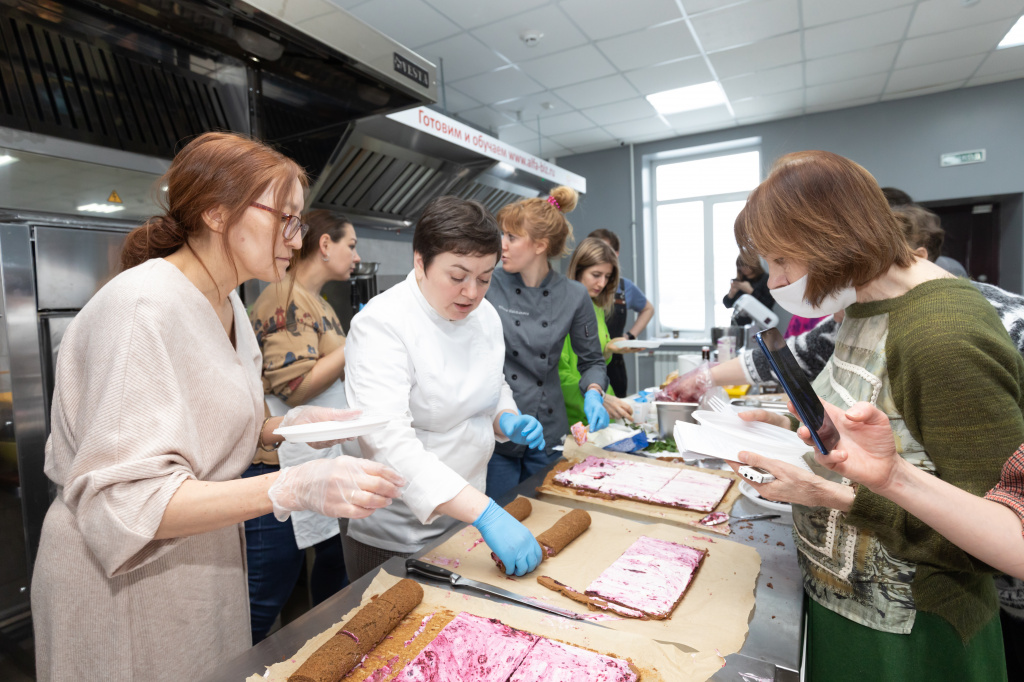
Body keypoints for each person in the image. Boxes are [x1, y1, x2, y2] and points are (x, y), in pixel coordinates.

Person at [30, 132, 405, 681]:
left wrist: (283, 429)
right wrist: (292, 487)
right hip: (119, 579)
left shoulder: (228, 301)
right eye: (285, 218)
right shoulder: (141, 307)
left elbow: (205, 429)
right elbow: (128, 498)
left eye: (298, 222)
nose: (295, 238)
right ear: (215, 212)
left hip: (198, 564)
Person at [730, 151, 1024, 682]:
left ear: (829, 239)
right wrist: (791, 430)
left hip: (912, 628)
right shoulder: (865, 304)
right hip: (846, 596)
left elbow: (1002, 530)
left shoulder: (940, 334)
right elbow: (878, 426)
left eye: (781, 261)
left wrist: (835, 494)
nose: (775, 282)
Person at [342, 196, 544, 582]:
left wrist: (507, 418)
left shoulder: (483, 316)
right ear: (420, 260)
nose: (471, 292)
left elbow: (492, 383)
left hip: (466, 515)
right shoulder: (382, 324)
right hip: (398, 531)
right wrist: (486, 514)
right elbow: (387, 442)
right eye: (458, 276)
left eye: (485, 278)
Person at [245, 210, 360, 643]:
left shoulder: (318, 303)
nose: (355, 256)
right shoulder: (283, 298)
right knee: (269, 588)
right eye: (350, 245)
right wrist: (356, 343)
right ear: (325, 244)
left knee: (329, 561)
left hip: (313, 452)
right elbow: (295, 387)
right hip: (279, 459)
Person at [485, 187, 611, 499]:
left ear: (540, 245)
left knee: (549, 514)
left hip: (548, 431)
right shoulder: (488, 283)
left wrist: (595, 393)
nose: (503, 245)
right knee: (502, 518)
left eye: (512, 237)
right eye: (503, 235)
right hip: (497, 429)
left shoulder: (573, 295)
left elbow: (592, 361)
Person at [558, 237, 635, 427]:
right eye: (596, 274)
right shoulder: (562, 309)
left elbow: (593, 361)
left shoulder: (596, 306)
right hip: (575, 412)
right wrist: (598, 396)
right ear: (578, 270)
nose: (602, 283)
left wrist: (608, 350)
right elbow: (559, 375)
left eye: (607, 277)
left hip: (598, 404)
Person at [587, 228, 655, 397]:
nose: (601, 283)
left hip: (613, 366)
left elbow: (648, 308)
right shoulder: (575, 293)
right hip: (583, 370)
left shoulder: (624, 288)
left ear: (616, 255)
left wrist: (629, 337)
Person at [722, 254, 774, 326]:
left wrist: (750, 291)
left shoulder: (766, 279)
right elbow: (727, 304)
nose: (743, 268)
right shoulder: (739, 281)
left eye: (746, 265)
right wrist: (732, 293)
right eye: (740, 266)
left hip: (759, 323)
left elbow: (768, 303)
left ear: (754, 264)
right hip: (739, 324)